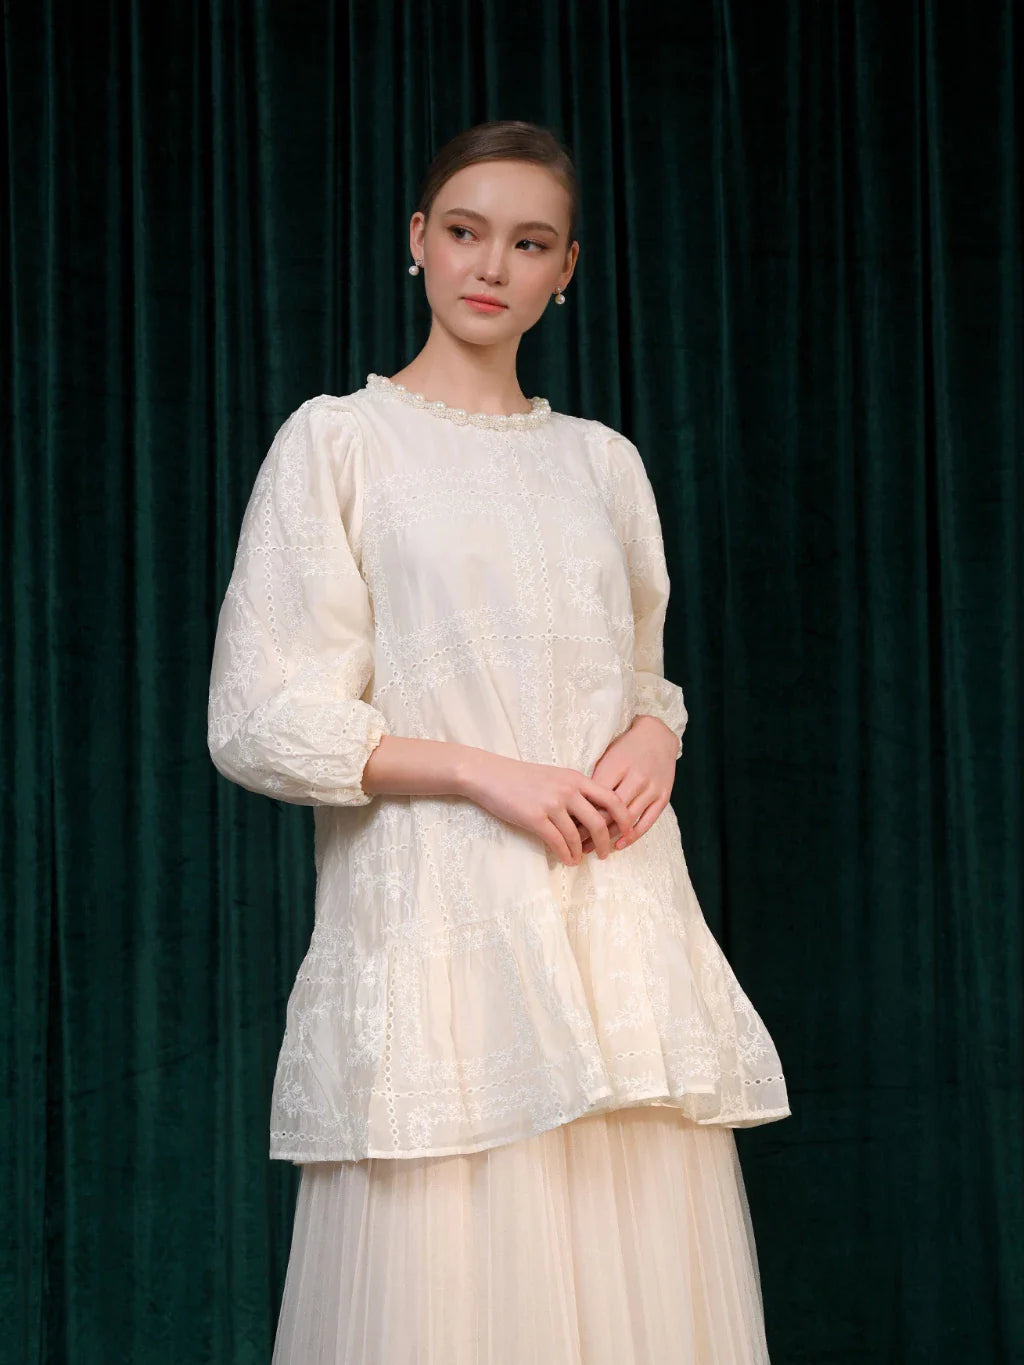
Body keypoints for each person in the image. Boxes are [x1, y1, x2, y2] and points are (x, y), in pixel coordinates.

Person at [207, 118, 790, 1365]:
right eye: (465, 231)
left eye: (528, 243)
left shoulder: (603, 464)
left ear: (565, 268)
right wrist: (483, 771)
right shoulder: (339, 443)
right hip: (440, 945)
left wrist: (657, 734)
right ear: (416, 241)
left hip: (614, 933)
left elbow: (639, 669)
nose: (491, 265)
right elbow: (261, 717)